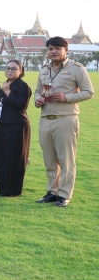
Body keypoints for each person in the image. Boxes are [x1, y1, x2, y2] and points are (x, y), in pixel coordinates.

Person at [34, 37, 94, 207]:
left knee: (66, 160)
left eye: (57, 48)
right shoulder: (44, 70)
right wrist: (37, 99)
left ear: (66, 50)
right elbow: (38, 90)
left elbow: (88, 92)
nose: (53, 51)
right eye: (50, 49)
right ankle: (52, 192)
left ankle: (64, 195)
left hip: (65, 120)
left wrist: (66, 97)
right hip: (45, 119)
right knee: (49, 160)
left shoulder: (76, 69)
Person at [0, 60, 32, 197]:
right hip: (4, 124)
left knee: (15, 158)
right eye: (8, 68)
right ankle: (4, 188)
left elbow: (21, 105)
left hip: (17, 125)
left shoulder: (22, 86)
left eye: (13, 69)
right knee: (3, 156)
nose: (10, 71)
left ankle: (13, 190)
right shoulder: (6, 84)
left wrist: (8, 92)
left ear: (20, 71)